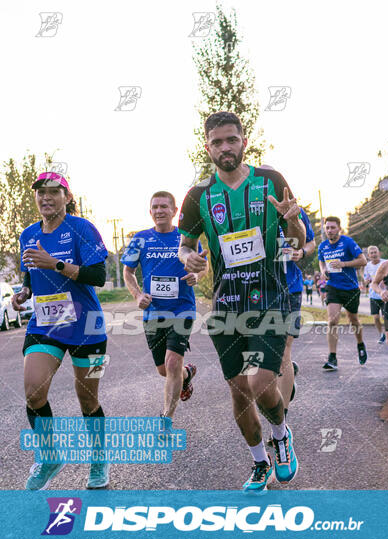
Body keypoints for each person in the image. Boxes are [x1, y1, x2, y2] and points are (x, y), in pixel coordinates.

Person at [178, 111, 306, 491]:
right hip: (226, 305)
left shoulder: (270, 180)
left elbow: (296, 243)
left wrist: (293, 222)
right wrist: (191, 258)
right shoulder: (199, 195)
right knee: (238, 391)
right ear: (207, 147)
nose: (225, 148)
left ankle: (281, 436)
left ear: (244, 141)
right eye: (217, 142)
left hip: (270, 298)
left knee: (261, 382)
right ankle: (259, 463)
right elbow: (185, 244)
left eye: (231, 140)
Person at [12, 171, 109, 490]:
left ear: (68, 197)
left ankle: (98, 459)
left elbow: (98, 275)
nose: (45, 197)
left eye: (54, 191)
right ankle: (50, 454)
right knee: (33, 390)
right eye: (40, 192)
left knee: (88, 401)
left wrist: (53, 263)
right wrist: (24, 292)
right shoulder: (28, 234)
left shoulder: (82, 229)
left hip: (86, 325)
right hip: (46, 322)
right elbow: (29, 272)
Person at [122, 191, 208, 421]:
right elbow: (127, 272)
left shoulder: (185, 237)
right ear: (150, 212)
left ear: (174, 211)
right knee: (164, 369)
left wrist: (197, 277)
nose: (159, 211)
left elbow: (203, 266)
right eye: (155, 207)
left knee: (172, 362)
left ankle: (165, 418)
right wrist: (137, 295)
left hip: (182, 309)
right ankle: (187, 374)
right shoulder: (140, 238)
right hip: (153, 311)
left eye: (164, 207)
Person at [277, 209, 315, 421]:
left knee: (284, 352)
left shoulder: (295, 211)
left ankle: (281, 419)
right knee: (266, 356)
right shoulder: (246, 208)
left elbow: (311, 242)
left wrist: (302, 253)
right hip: (258, 292)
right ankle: (286, 376)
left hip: (290, 289)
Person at [318, 216, 367, 371]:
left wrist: (344, 264)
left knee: (353, 320)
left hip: (350, 288)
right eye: (327, 227)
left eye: (333, 227)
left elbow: (363, 260)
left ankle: (360, 343)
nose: (330, 230)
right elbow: (321, 261)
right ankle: (332, 357)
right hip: (333, 287)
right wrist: (323, 271)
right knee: (332, 321)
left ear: (339, 228)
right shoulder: (323, 246)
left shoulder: (348, 242)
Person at [364, 245, 386, 343]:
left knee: (386, 317)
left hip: (385, 295)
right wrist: (367, 281)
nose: (373, 254)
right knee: (376, 318)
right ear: (368, 255)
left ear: (379, 253)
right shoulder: (367, 266)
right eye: (371, 253)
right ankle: (382, 334)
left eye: (375, 252)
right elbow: (365, 280)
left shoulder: (385, 263)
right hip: (373, 296)